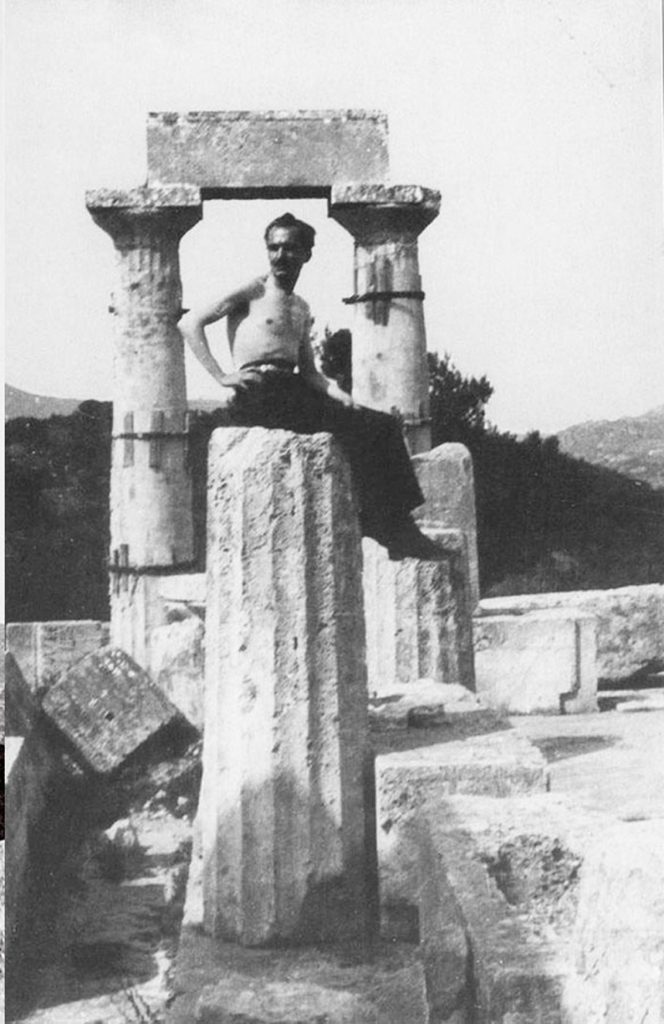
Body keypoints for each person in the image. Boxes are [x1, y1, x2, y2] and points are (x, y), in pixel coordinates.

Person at [179, 212, 439, 559]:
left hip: (292, 388)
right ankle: (389, 526)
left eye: (290, 248)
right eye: (274, 248)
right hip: (259, 390)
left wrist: (342, 396)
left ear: (306, 254)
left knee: (382, 425)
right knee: (363, 430)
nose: (280, 256)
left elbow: (311, 373)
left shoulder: (301, 307)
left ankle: (393, 524)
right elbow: (190, 323)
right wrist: (222, 376)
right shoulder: (254, 291)